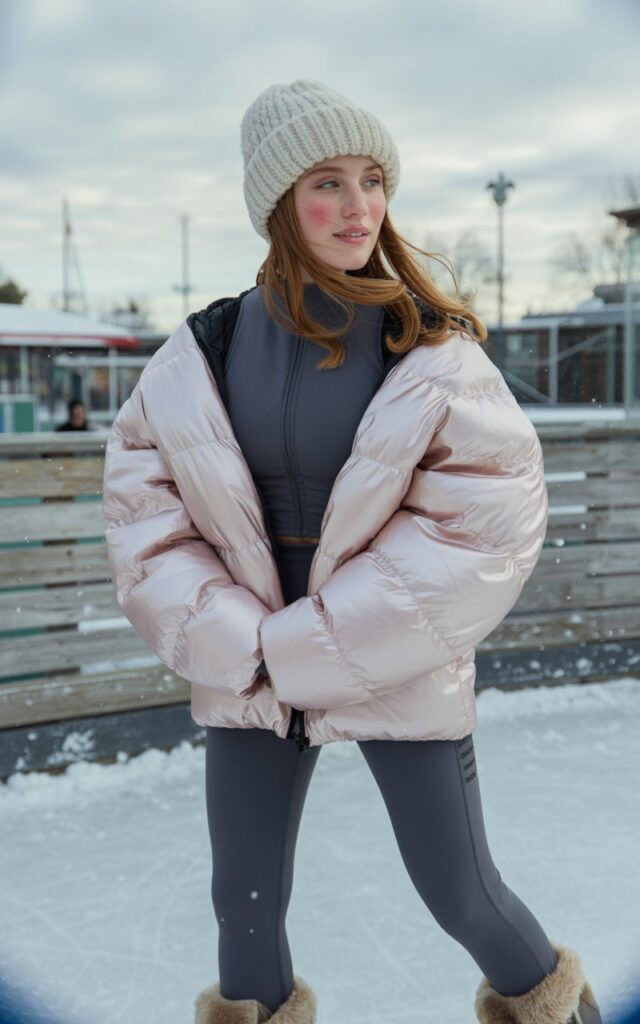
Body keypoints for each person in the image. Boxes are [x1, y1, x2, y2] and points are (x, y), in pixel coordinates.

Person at [101, 80, 603, 1024]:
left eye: (373, 179)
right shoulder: (200, 352)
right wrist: (248, 643)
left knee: (463, 894)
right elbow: (143, 510)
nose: (359, 205)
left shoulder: (428, 345)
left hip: (392, 658)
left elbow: (485, 519)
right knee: (242, 912)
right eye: (328, 183)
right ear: (280, 205)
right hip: (247, 668)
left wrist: (315, 643)